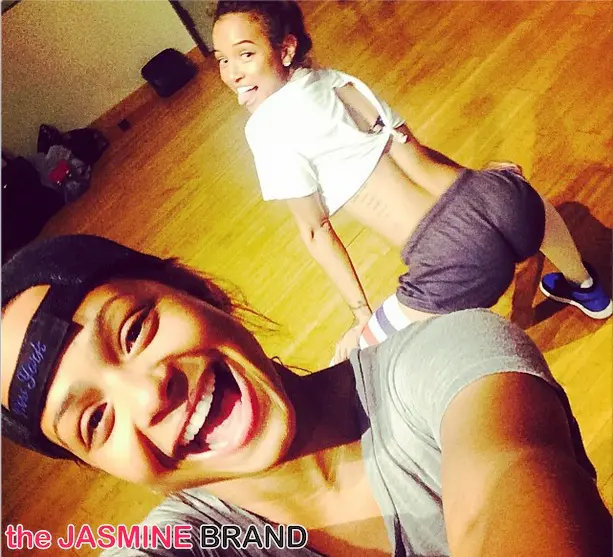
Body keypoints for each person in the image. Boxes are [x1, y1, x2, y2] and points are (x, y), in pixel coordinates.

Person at [2, 234, 611, 557]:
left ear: (198, 291)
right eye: (95, 421)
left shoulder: (446, 361)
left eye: (134, 330)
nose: (149, 395)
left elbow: (507, 478)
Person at [211, 1, 612, 363]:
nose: (232, 74)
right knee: (523, 198)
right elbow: (411, 147)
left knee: (354, 355)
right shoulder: (337, 81)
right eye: (222, 60)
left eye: (245, 55)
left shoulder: (264, 129)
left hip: (454, 257)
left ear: (285, 49)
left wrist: (361, 316)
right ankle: (585, 284)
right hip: (497, 198)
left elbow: (316, 230)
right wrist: (483, 183)